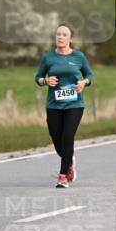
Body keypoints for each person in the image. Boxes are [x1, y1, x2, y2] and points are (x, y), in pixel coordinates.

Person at [36, 22, 93, 188]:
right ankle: (69, 159)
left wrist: (84, 82)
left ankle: (63, 176)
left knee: (68, 136)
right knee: (56, 137)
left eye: (64, 35)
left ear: (70, 38)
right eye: (58, 34)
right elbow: (38, 77)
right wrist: (46, 80)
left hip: (75, 103)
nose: (60, 37)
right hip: (54, 104)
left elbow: (89, 74)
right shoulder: (48, 57)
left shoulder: (78, 57)